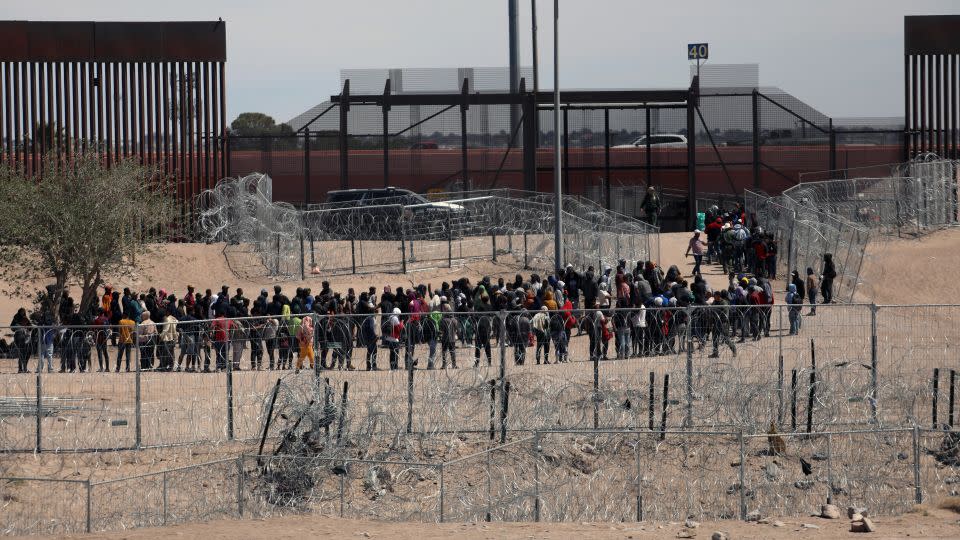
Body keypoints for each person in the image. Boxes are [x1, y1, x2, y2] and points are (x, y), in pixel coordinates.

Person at [11, 308, 33, 373]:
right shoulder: (16, 318)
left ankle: (25, 367)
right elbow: (12, 327)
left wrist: (29, 327)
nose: (22, 313)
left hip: (26, 337)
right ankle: (21, 369)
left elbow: (30, 327)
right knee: (21, 353)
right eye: (21, 312)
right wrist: (18, 327)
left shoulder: (25, 318)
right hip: (18, 337)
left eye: (23, 312)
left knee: (28, 352)